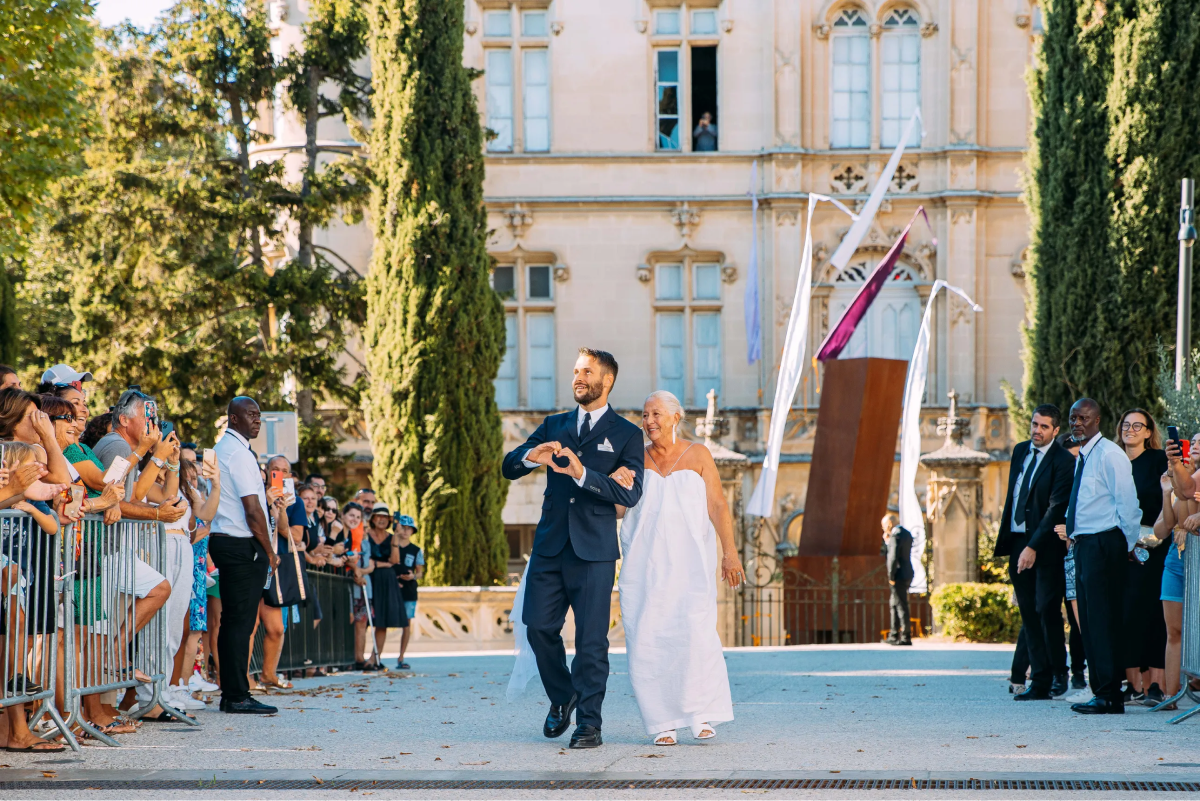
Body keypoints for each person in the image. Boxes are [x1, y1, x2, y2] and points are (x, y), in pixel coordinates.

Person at [502, 348, 645, 749]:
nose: (578, 378)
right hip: (550, 546)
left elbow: (630, 494)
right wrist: (532, 456)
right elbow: (509, 465)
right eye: (576, 371)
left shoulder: (627, 435)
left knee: (591, 642)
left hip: (595, 551)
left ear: (607, 380)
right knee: (538, 628)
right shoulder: (554, 424)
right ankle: (563, 696)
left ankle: (590, 725)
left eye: (587, 371)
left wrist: (585, 474)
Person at [610, 390, 743, 746]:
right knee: (648, 640)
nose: (649, 421)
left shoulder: (698, 454)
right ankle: (661, 721)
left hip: (691, 566)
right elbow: (620, 508)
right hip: (644, 568)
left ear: (674, 417)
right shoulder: (634, 458)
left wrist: (730, 553)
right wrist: (611, 486)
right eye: (645, 414)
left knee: (696, 635)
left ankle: (700, 714)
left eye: (656, 414)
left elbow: (717, 505)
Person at [1063, 398, 1141, 714]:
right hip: (1084, 545)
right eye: (1072, 418)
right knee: (1090, 623)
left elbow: (1128, 505)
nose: (1076, 423)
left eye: (1083, 418)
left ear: (1097, 420)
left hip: (1104, 544)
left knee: (1102, 620)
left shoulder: (1110, 454)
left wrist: (1124, 545)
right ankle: (1101, 692)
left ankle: (1110, 695)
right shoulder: (1084, 455)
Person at [995, 404, 1074, 701]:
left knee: (1046, 610)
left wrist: (1032, 547)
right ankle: (1038, 682)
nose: (1037, 431)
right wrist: (1018, 545)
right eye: (1034, 424)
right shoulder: (1020, 451)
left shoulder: (1064, 461)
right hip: (1017, 542)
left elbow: (1055, 509)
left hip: (1045, 547)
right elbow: (1015, 495)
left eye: (1044, 427)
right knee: (1028, 613)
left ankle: (1058, 674)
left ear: (1055, 430)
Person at [208, 396, 278, 714]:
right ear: (233, 419)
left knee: (234, 622)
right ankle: (236, 695)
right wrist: (270, 550)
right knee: (240, 623)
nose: (257, 420)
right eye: (250, 414)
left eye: (259, 415)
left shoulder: (229, 449)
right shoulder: (237, 453)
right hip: (240, 543)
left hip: (229, 541)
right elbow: (252, 509)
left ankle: (232, 692)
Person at [1114, 408, 1169, 705]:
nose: (1131, 430)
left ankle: (1156, 686)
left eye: (1138, 426)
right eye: (1126, 425)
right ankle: (1132, 685)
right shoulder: (1112, 461)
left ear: (1149, 432)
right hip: (1117, 550)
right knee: (1124, 614)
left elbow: (1168, 500)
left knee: (1152, 615)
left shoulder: (1158, 460)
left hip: (1153, 548)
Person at [358, 503, 405, 669]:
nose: (382, 520)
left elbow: (394, 561)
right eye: (378, 516)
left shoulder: (391, 536)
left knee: (382, 620)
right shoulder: (365, 534)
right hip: (369, 578)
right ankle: (359, 658)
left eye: (385, 517)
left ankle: (374, 658)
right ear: (373, 518)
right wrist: (380, 564)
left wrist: (396, 539)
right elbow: (366, 558)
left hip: (387, 581)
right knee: (363, 619)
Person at [393, 514, 423, 670]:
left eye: (408, 529)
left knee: (406, 624)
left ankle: (401, 656)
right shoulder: (391, 545)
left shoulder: (416, 550)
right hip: (392, 589)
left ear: (412, 531)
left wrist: (413, 576)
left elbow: (420, 572)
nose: (405, 531)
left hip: (409, 590)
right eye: (402, 528)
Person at [880, 513, 914, 646]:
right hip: (908, 572)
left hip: (898, 575)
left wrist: (891, 576)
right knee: (894, 603)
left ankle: (906, 636)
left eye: (883, 526)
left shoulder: (895, 535)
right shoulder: (906, 533)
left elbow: (893, 557)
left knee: (900, 605)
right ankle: (894, 635)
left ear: (889, 523)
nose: (883, 529)